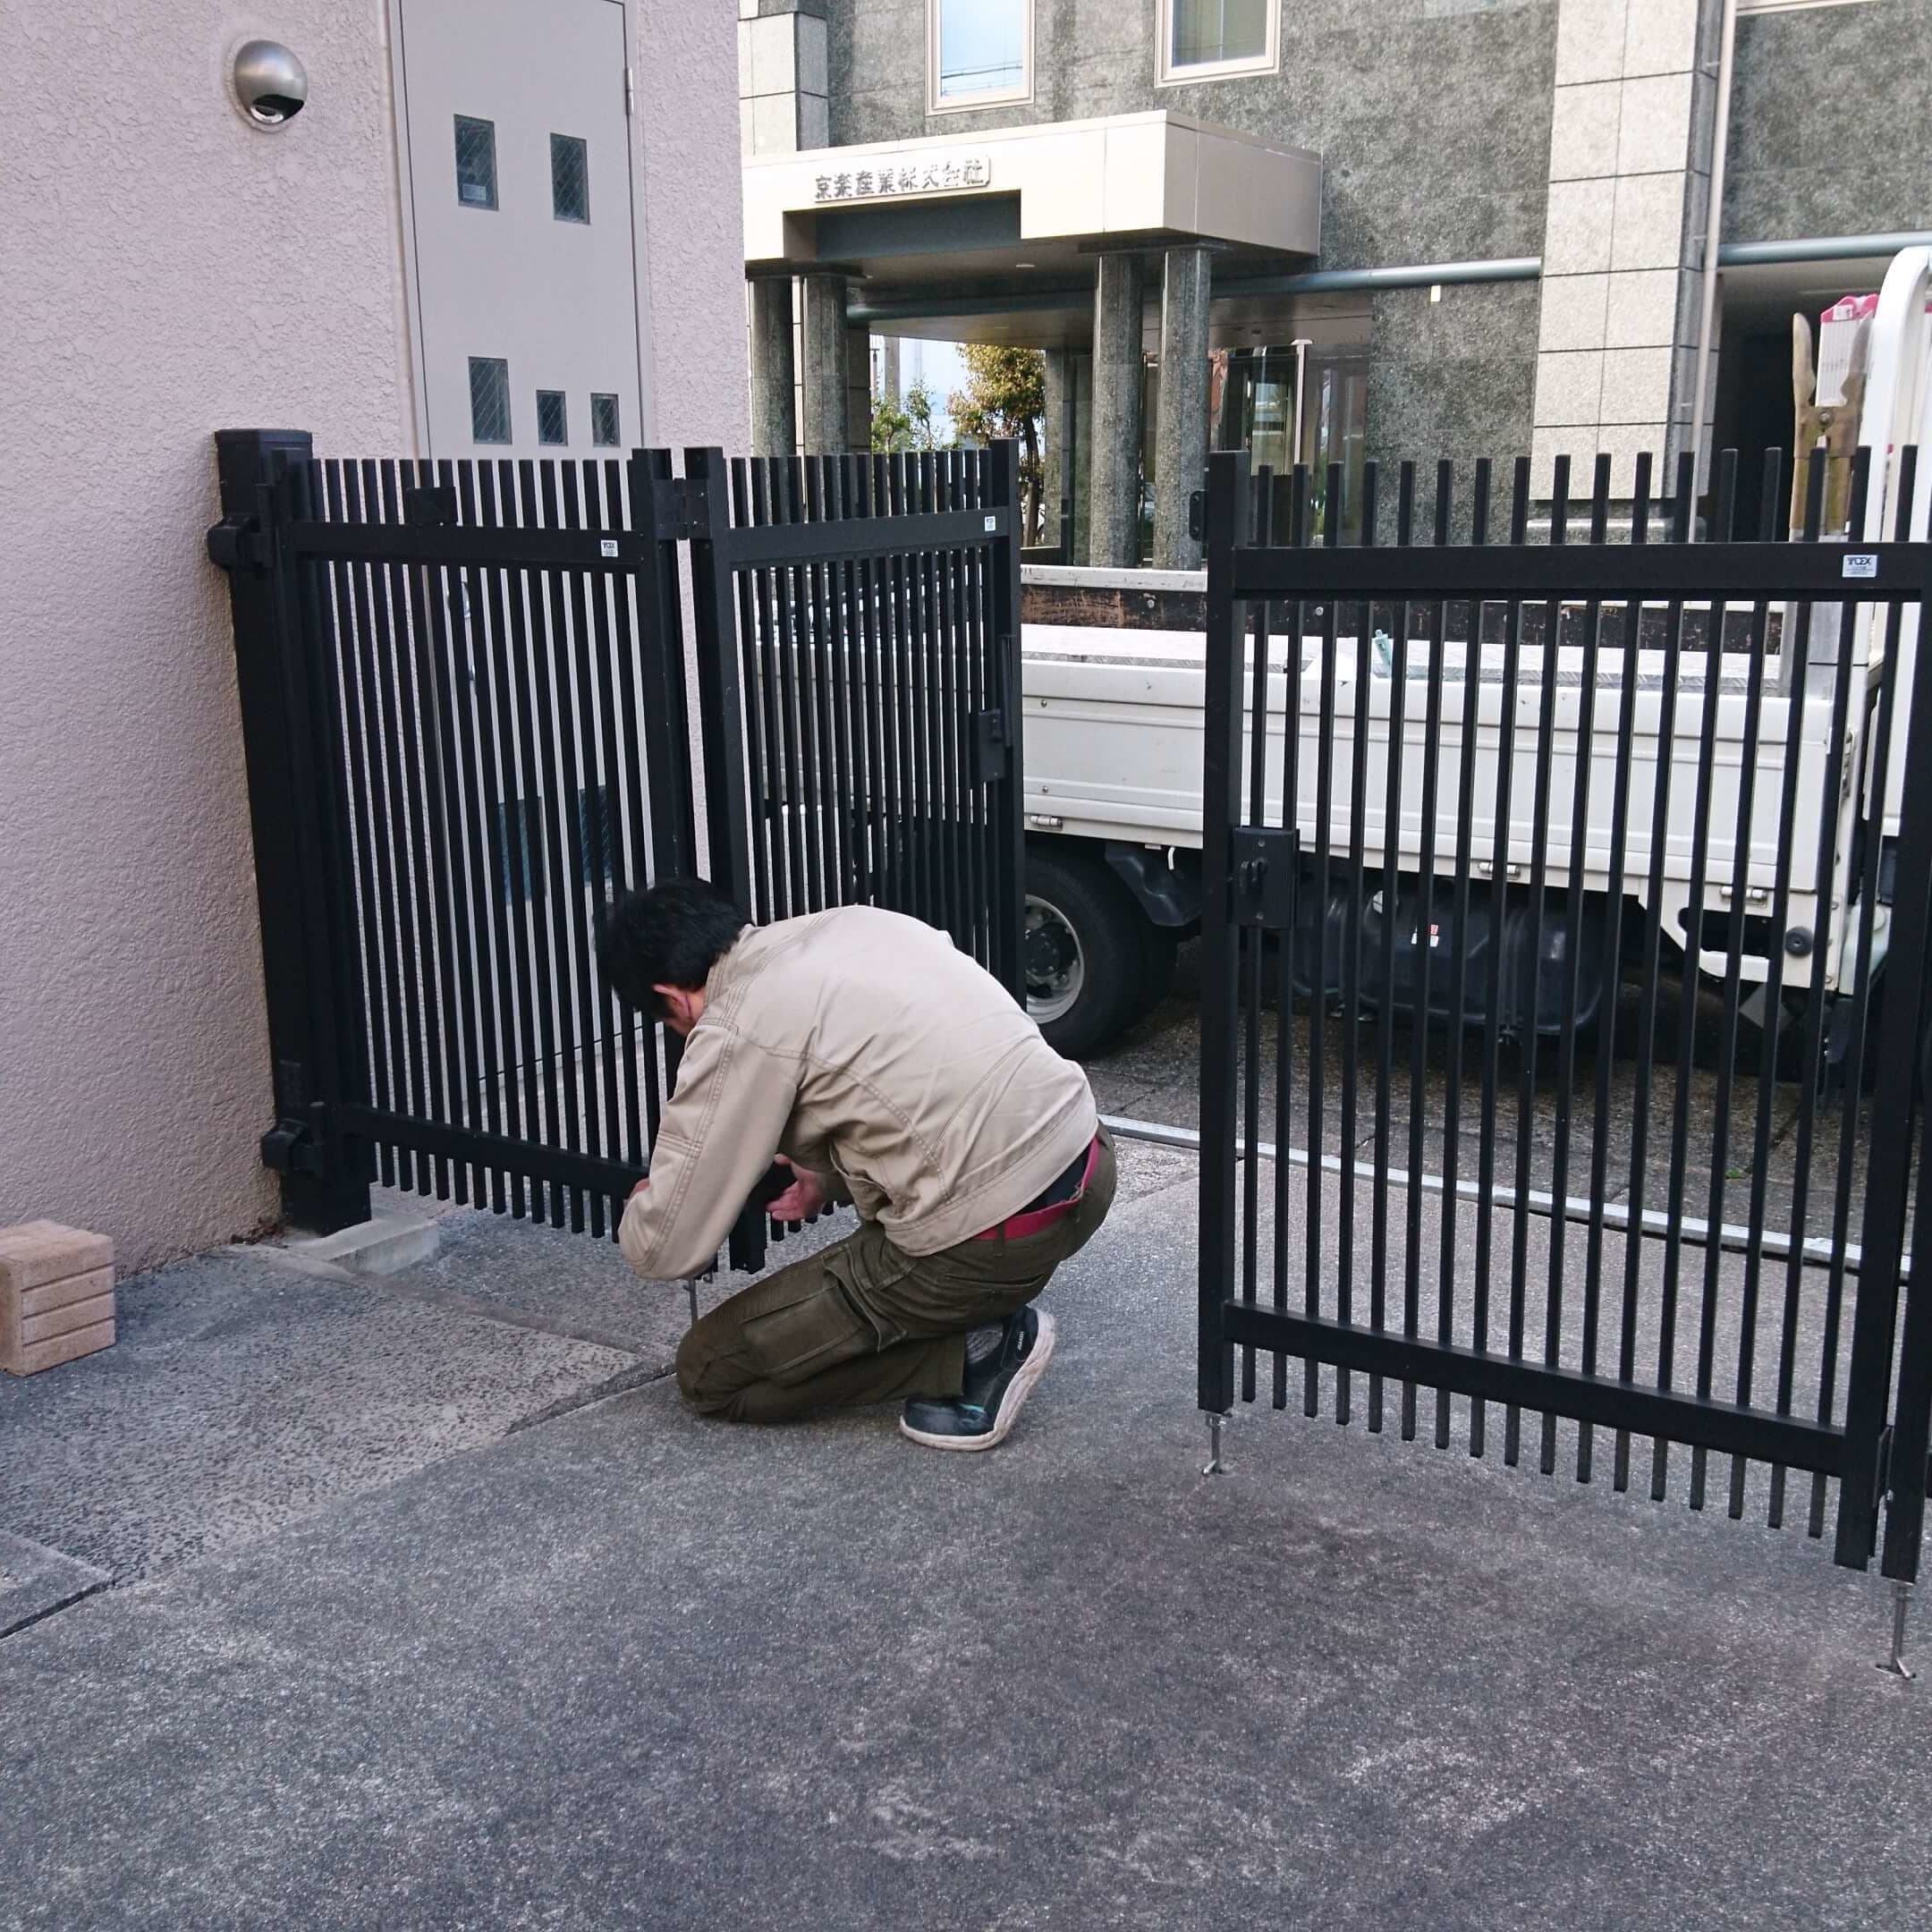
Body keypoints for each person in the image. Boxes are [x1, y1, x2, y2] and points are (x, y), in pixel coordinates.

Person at [597, 880, 1114, 1449]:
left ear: (673, 999)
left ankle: (974, 1355)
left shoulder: (736, 1023)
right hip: (1086, 1163)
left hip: (992, 1238)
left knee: (709, 1371)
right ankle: (973, 1311)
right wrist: (824, 1180)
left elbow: (665, 1248)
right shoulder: (855, 926)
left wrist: (648, 1206)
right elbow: (916, 1077)